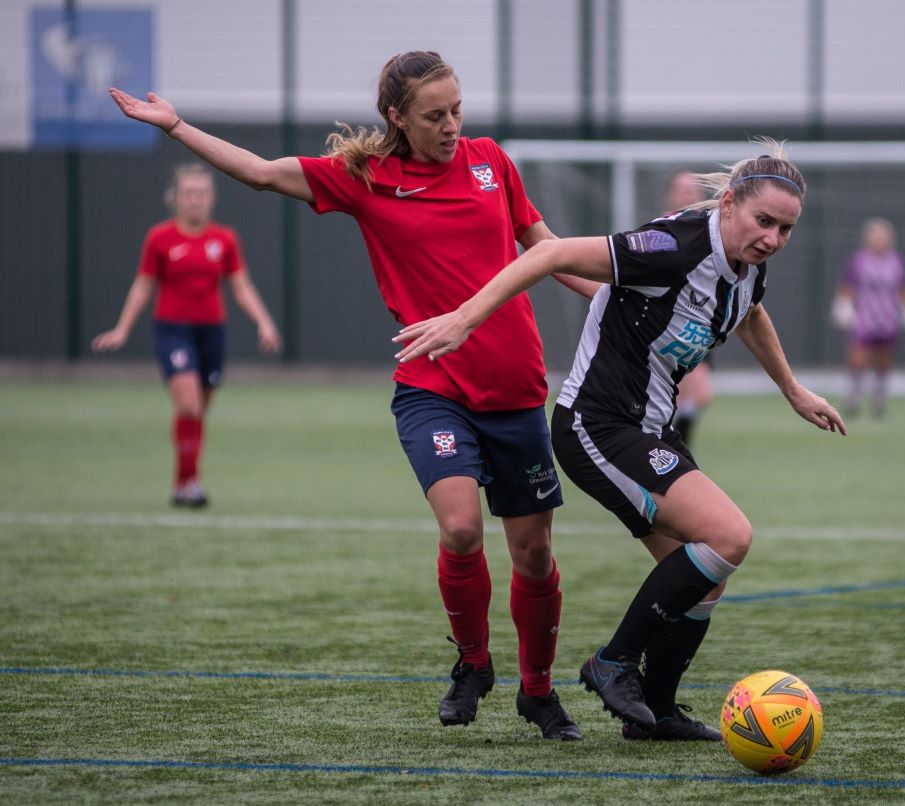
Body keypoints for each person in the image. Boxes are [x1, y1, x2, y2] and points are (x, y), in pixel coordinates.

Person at [109, 51, 593, 740]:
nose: (453, 124)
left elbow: (549, 249)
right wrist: (176, 125)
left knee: (534, 555)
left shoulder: (492, 162)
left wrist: (621, 298)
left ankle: (539, 692)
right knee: (459, 528)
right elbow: (258, 173)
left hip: (515, 388)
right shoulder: (367, 178)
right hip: (433, 388)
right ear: (396, 117)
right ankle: (475, 662)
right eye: (435, 115)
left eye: (458, 109)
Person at [395, 140, 846, 742]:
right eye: (763, 221)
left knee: (705, 576)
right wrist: (465, 318)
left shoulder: (746, 263)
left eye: (785, 229)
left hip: (645, 427)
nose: (772, 238)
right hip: (597, 424)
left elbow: (751, 312)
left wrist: (792, 390)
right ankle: (612, 662)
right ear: (730, 203)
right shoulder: (674, 246)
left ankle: (655, 713)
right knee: (730, 535)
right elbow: (550, 253)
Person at [92, 163, 282, 507]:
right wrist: (122, 328)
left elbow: (240, 287)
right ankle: (186, 485)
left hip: (212, 332)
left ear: (212, 198)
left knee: (198, 411)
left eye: (202, 194)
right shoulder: (160, 238)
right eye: (189, 194)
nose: (196, 200)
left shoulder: (224, 239)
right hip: (172, 330)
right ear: (175, 198)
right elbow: (143, 286)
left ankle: (187, 480)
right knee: (189, 405)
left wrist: (263, 322)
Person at [831, 217, 905, 417]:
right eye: (875, 237)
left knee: (883, 361)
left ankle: (879, 398)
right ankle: (854, 397)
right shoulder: (858, 261)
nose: (879, 241)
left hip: (888, 319)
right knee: (858, 359)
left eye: (883, 237)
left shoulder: (898, 261)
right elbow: (847, 288)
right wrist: (843, 309)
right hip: (865, 319)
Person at [663, 171, 714, 447]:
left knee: (699, 395)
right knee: (680, 393)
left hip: (701, 323)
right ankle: (671, 450)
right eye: (681, 189)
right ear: (671, 194)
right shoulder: (661, 229)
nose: (686, 194)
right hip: (668, 324)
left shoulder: (712, 230)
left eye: (692, 190)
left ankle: (674, 446)